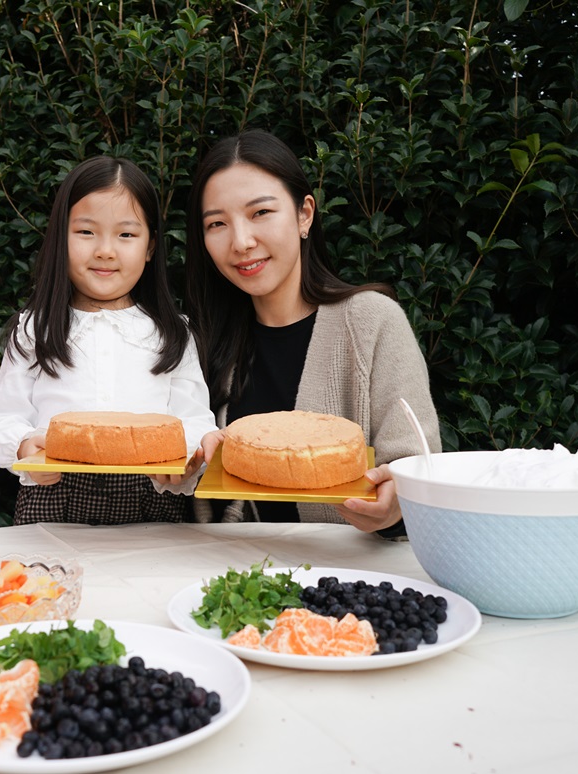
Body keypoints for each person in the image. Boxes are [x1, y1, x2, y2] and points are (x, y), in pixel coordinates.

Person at [184, 129, 441, 533]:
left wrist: (398, 504)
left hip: (347, 575)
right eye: (217, 223)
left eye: (261, 213)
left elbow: (417, 467)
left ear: (304, 214)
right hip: (228, 571)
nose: (241, 241)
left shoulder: (371, 322)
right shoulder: (204, 338)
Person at [0, 156, 215, 524]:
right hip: (51, 497)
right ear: (61, 237)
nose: (105, 250)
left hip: (151, 499)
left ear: (150, 247)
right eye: (87, 232)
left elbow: (196, 421)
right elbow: (3, 419)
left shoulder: (173, 333)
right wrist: (25, 447)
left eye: (126, 234)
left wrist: (186, 460)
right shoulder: (34, 330)